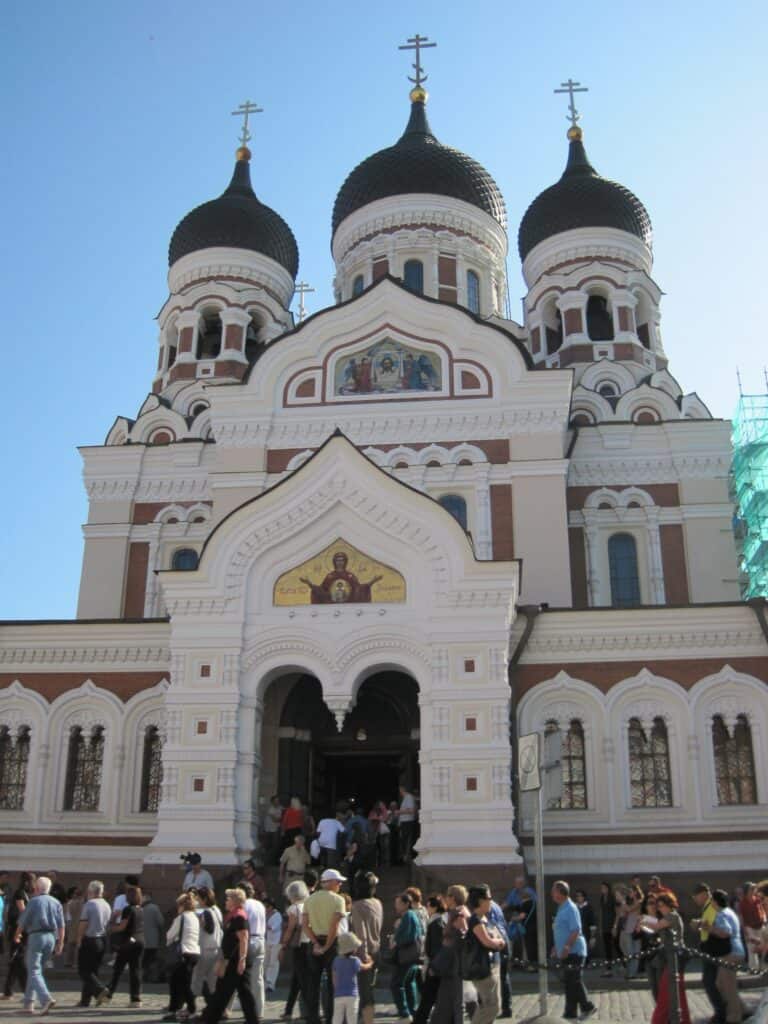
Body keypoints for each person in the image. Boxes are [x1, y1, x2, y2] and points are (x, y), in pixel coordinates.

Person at [202, 888, 258, 1024]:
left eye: (228, 899)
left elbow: (243, 938)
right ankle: (252, 1020)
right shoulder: (233, 915)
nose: (226, 901)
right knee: (243, 992)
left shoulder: (239, 916)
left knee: (224, 991)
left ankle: (209, 1018)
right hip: (232, 959)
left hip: (235, 960)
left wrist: (242, 960)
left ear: (234, 901)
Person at [302, 868, 347, 1024]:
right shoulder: (338, 900)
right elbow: (334, 926)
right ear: (331, 882)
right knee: (332, 983)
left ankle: (312, 1017)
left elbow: (305, 925)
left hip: (314, 942)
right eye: (338, 881)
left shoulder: (310, 899)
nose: (340, 884)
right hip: (332, 943)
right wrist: (327, 946)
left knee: (313, 982)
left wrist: (315, 943)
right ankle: (331, 1017)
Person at [16, 875, 64, 1015]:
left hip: (37, 936)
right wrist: (60, 942)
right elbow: (61, 926)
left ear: (36, 888)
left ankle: (46, 999)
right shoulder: (56, 902)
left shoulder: (34, 901)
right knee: (37, 971)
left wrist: (17, 934)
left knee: (33, 970)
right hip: (51, 937)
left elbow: (23, 920)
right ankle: (28, 1004)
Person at [551, 880, 596, 1021]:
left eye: (554, 891)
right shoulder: (561, 907)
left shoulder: (570, 907)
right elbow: (561, 929)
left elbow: (576, 929)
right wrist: (555, 946)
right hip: (566, 951)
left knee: (574, 981)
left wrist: (567, 946)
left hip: (575, 951)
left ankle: (587, 1007)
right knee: (570, 982)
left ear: (560, 892)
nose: (552, 893)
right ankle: (570, 1013)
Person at [644, 892, 690, 1024]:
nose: (660, 908)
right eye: (658, 906)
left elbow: (656, 926)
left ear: (670, 905)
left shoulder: (672, 916)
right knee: (677, 993)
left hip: (676, 957)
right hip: (669, 957)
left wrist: (644, 919)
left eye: (661, 905)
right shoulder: (667, 916)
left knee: (667, 992)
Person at [466, 884, 506, 1024]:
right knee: (491, 1007)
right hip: (483, 970)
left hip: (492, 966)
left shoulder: (484, 918)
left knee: (493, 1005)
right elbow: (487, 942)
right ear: (481, 901)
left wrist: (498, 940)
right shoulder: (476, 920)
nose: (491, 901)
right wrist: (499, 943)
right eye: (489, 898)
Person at [101, 883, 145, 1007]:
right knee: (135, 970)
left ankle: (108, 996)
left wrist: (111, 924)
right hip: (140, 941)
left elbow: (122, 927)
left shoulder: (128, 909)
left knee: (118, 970)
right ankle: (136, 999)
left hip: (127, 943)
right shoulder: (140, 909)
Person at [708, 888, 748, 1024]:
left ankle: (734, 1017)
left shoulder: (721, 914)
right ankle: (743, 1009)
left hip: (730, 952)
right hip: (735, 951)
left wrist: (709, 928)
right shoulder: (729, 911)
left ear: (714, 901)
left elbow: (726, 932)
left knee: (727, 986)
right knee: (721, 983)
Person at [349, 871, 383, 1024]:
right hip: (377, 948)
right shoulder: (378, 903)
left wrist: (363, 954)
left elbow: (360, 934)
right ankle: (368, 1018)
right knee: (369, 988)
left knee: (364, 990)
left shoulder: (357, 906)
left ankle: (366, 1020)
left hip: (364, 952)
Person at [692, 881, 728, 1024]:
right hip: (708, 946)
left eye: (696, 897)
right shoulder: (708, 907)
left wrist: (699, 924)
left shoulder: (711, 907)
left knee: (709, 981)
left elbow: (713, 926)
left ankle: (721, 1012)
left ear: (704, 894)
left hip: (712, 948)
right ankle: (721, 1010)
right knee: (711, 981)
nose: (695, 900)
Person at [163, 891, 201, 1022]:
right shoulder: (195, 917)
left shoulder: (181, 918)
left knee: (177, 984)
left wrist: (169, 943)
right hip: (194, 952)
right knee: (184, 983)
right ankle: (184, 1010)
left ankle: (188, 1010)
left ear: (182, 905)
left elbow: (169, 935)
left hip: (183, 953)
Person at [388, 891, 424, 1020]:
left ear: (406, 904)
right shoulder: (412, 915)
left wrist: (396, 942)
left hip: (406, 956)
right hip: (412, 956)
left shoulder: (408, 915)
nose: (396, 906)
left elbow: (408, 936)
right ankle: (411, 1011)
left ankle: (404, 1012)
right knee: (409, 983)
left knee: (396, 984)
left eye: (398, 903)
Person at [76, 879, 111, 1007]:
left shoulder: (90, 904)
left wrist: (79, 938)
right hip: (102, 939)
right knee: (93, 971)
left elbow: (83, 923)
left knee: (84, 971)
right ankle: (85, 1000)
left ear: (91, 891)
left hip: (90, 939)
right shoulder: (106, 905)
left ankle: (100, 990)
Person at [280, 879, 311, 1021]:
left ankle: (310, 1011)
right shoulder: (309, 904)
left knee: (302, 980)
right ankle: (288, 1010)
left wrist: (283, 944)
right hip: (309, 943)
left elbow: (290, 928)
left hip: (298, 945)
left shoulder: (294, 908)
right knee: (297, 979)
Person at [412, 894, 446, 1024]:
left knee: (427, 999)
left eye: (428, 906)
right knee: (431, 999)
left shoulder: (436, 923)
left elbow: (435, 948)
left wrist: (433, 966)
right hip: (435, 966)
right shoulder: (439, 920)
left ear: (434, 907)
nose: (426, 909)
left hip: (434, 967)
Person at [190, 885, 223, 1014]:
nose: (196, 900)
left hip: (206, 949)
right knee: (211, 982)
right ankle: (213, 1007)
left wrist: (199, 921)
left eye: (198, 898)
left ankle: (191, 1008)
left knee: (197, 979)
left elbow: (209, 929)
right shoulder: (215, 910)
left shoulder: (205, 912)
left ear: (203, 899)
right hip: (215, 949)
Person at [2, 870, 33, 1000]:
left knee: (16, 960)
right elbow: (23, 912)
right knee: (15, 960)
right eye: (32, 881)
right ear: (26, 881)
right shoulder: (20, 893)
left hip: (20, 931)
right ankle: (10, 991)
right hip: (18, 931)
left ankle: (26, 990)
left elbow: (24, 913)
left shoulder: (25, 893)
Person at [331, 930, 373, 1024]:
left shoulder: (336, 960)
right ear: (353, 949)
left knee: (337, 1018)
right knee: (352, 1018)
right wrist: (370, 962)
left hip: (338, 995)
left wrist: (336, 988)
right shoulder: (355, 961)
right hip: (352, 995)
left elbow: (334, 977)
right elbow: (365, 967)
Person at [241, 880, 266, 1018]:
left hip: (248, 939)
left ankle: (227, 1007)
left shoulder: (243, 905)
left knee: (236, 974)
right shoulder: (260, 904)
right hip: (260, 939)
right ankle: (259, 1010)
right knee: (258, 978)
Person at [504, 875, 537, 970]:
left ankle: (528, 965)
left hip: (527, 927)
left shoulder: (526, 902)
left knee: (528, 946)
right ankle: (522, 963)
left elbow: (522, 916)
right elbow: (507, 903)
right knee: (523, 945)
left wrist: (512, 919)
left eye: (518, 884)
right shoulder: (515, 893)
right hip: (525, 926)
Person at [739, 882, 766, 972]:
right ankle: (753, 968)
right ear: (746, 890)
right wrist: (745, 930)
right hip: (749, 927)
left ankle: (763, 967)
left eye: (754, 889)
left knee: (763, 947)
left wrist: (764, 920)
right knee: (751, 948)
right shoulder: (742, 903)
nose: (753, 891)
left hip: (760, 925)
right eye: (751, 889)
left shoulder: (757, 899)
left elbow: (762, 910)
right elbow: (741, 917)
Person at [141, 890, 165, 983]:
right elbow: (161, 922)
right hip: (152, 940)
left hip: (140, 940)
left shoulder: (137, 908)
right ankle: (152, 977)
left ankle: (144, 976)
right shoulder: (154, 908)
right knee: (152, 959)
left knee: (143, 960)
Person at [598, 881, 617, 977]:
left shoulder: (612, 898)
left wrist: (615, 925)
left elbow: (617, 912)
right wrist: (601, 927)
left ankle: (624, 964)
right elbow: (601, 913)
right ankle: (609, 968)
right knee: (607, 947)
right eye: (601, 888)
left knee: (616, 945)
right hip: (605, 925)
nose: (602, 890)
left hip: (612, 924)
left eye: (604, 888)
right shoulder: (602, 898)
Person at [265, 897, 283, 992]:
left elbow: (273, 928)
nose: (265, 908)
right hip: (267, 941)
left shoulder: (277, 915)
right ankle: (266, 982)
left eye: (267, 906)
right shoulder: (265, 914)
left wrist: (264, 924)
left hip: (276, 941)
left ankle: (271, 984)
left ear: (271, 907)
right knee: (266, 962)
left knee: (274, 962)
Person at [396, 786, 417, 864]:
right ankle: (406, 857)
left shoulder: (408, 797)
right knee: (405, 840)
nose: (400, 792)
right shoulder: (406, 798)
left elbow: (411, 810)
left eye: (400, 790)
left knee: (406, 840)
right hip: (405, 822)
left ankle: (407, 857)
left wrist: (399, 812)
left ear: (402, 789)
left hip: (407, 822)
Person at [574, 890, 597, 961]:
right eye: (577, 896)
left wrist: (592, 937)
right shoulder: (573, 907)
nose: (578, 898)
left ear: (584, 897)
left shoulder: (589, 908)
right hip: (575, 933)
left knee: (585, 953)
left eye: (580, 896)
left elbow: (592, 923)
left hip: (586, 933)